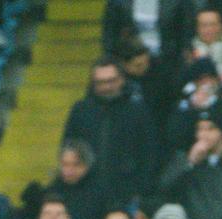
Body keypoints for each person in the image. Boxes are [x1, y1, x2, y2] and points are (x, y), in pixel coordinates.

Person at [62, 56, 158, 208]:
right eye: (100, 82)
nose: (106, 87)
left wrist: (140, 189)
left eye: (111, 81)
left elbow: (149, 153)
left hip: (126, 195)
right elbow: (68, 148)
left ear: (121, 80)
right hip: (85, 194)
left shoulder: (138, 112)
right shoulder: (80, 111)